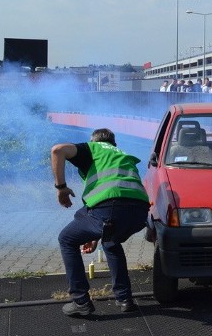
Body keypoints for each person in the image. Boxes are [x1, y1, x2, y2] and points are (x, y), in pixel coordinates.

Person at [51, 128, 149, 317]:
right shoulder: (123, 155)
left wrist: (61, 188)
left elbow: (57, 150)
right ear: (115, 143)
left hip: (110, 209)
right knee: (111, 242)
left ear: (93, 141)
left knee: (66, 239)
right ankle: (125, 299)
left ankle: (80, 301)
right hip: (139, 213)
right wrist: (95, 235)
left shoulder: (93, 149)